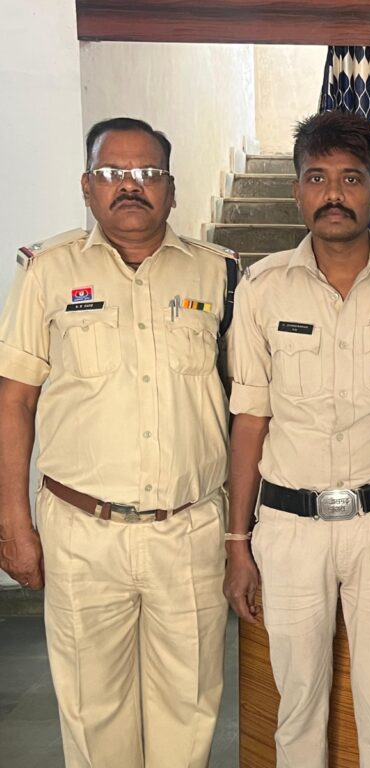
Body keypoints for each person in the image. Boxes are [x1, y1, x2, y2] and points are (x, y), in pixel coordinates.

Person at [223, 109, 370, 768]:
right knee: (297, 714)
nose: (334, 193)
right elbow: (250, 421)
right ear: (298, 191)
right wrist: (238, 542)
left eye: (351, 178)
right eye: (318, 178)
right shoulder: (262, 289)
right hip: (288, 528)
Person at [0, 117, 236, 768]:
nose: (130, 186)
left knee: (188, 715)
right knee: (92, 713)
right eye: (112, 174)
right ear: (87, 186)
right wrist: (12, 521)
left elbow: (248, 409)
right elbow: (14, 399)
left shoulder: (219, 275)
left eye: (147, 173)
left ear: (171, 189)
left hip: (188, 529)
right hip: (82, 533)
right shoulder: (47, 272)